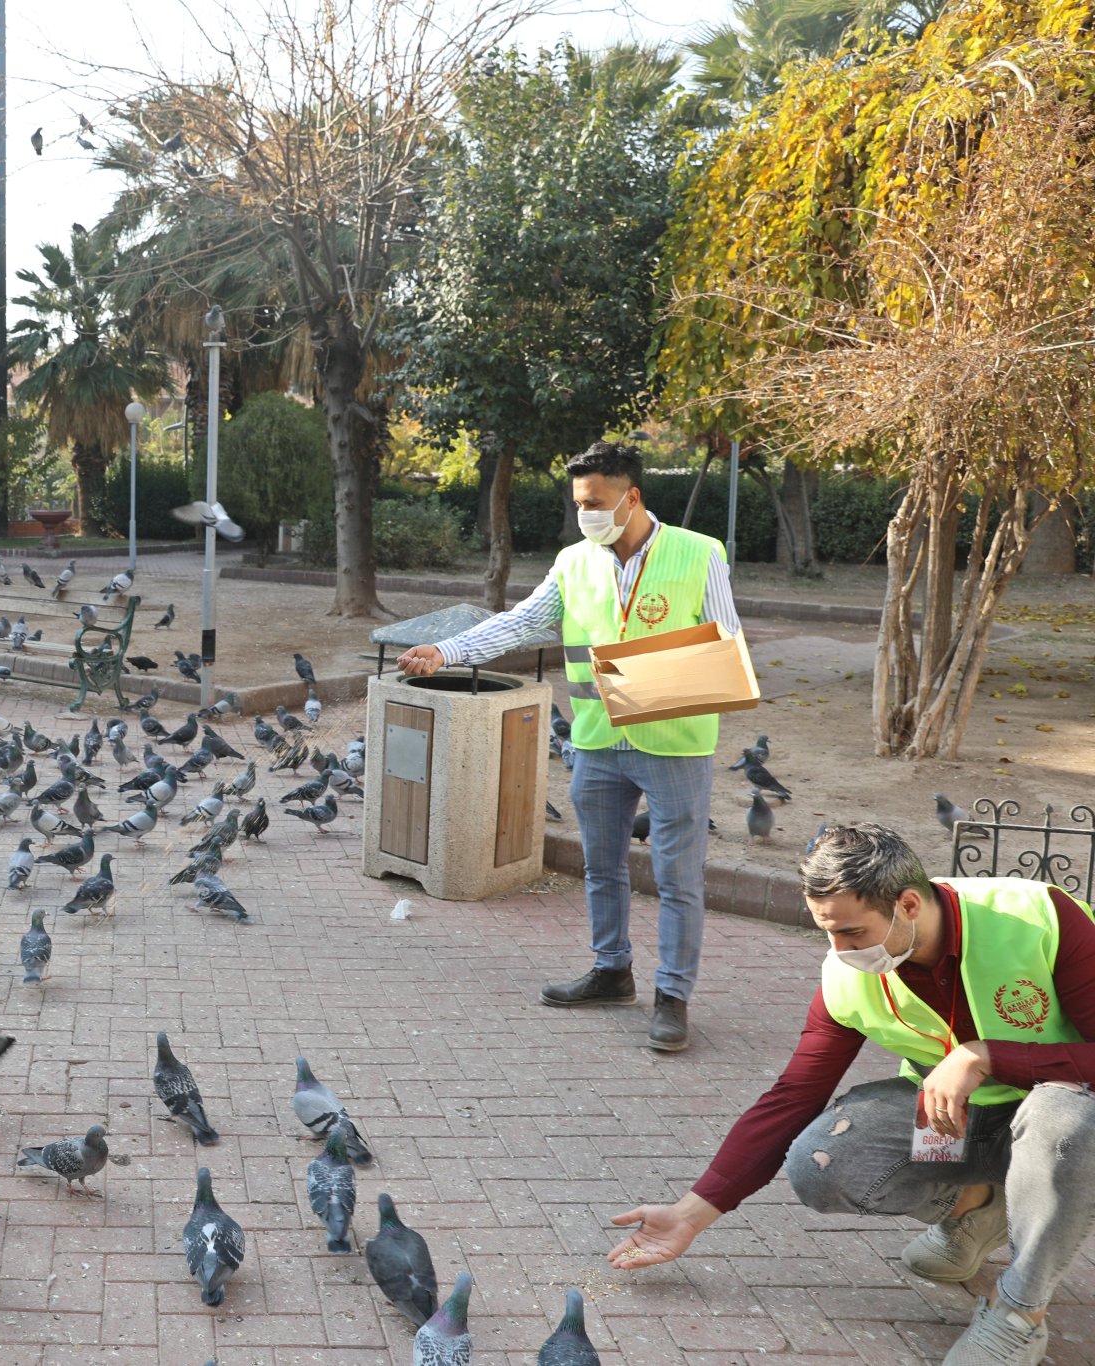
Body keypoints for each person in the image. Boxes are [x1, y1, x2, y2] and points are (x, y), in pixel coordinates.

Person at [608, 823, 1095, 1366]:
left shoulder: (1038, 917)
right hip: (963, 1120)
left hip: (1064, 1116)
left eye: (853, 933)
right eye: (827, 933)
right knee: (823, 1160)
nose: (839, 951)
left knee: (1065, 1119)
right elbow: (794, 1095)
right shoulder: (847, 974)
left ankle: (1019, 1314)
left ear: (908, 904)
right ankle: (979, 1208)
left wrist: (984, 1055)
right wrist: (691, 1214)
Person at [398, 440, 739, 1051]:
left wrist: (644, 688)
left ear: (631, 497)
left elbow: (726, 648)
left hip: (676, 744)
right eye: (579, 502)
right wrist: (447, 652)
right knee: (601, 867)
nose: (586, 513)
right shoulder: (575, 560)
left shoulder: (699, 553)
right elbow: (523, 621)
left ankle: (673, 997)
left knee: (677, 878)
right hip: (597, 742)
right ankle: (612, 972)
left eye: (595, 502)